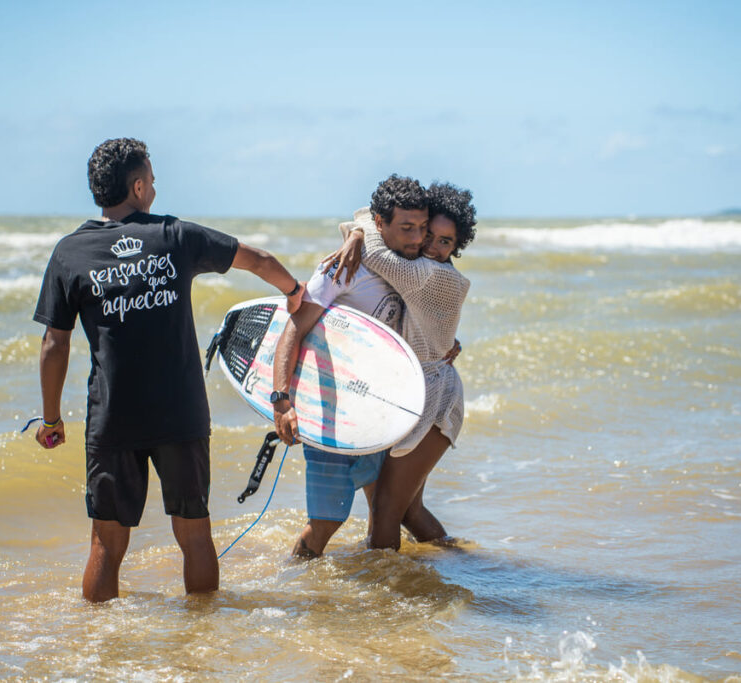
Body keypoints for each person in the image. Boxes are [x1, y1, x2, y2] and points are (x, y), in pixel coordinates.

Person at [33, 138, 305, 602]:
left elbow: (54, 345)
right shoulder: (175, 236)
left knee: (106, 544)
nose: (155, 188)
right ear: (138, 187)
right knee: (194, 535)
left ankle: (98, 641)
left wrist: (52, 418)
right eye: (152, 181)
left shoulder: (70, 253)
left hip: (113, 417)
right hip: (181, 414)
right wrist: (295, 293)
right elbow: (257, 260)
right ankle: (200, 634)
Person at [271, 174, 452, 558]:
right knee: (325, 523)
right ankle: (293, 581)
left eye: (422, 227)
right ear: (380, 224)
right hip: (335, 411)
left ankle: (387, 585)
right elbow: (294, 329)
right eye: (406, 228)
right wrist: (281, 400)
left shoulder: (411, 266)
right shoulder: (344, 267)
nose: (418, 238)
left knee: (384, 514)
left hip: (380, 412)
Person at [333, 181, 476, 550]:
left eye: (445, 241)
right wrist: (360, 233)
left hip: (434, 398)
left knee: (385, 509)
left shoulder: (432, 275)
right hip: (407, 391)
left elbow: (375, 249)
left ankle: (383, 583)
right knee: (409, 511)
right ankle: (465, 563)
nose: (431, 246)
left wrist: (359, 233)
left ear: (457, 247)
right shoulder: (422, 268)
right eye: (428, 233)